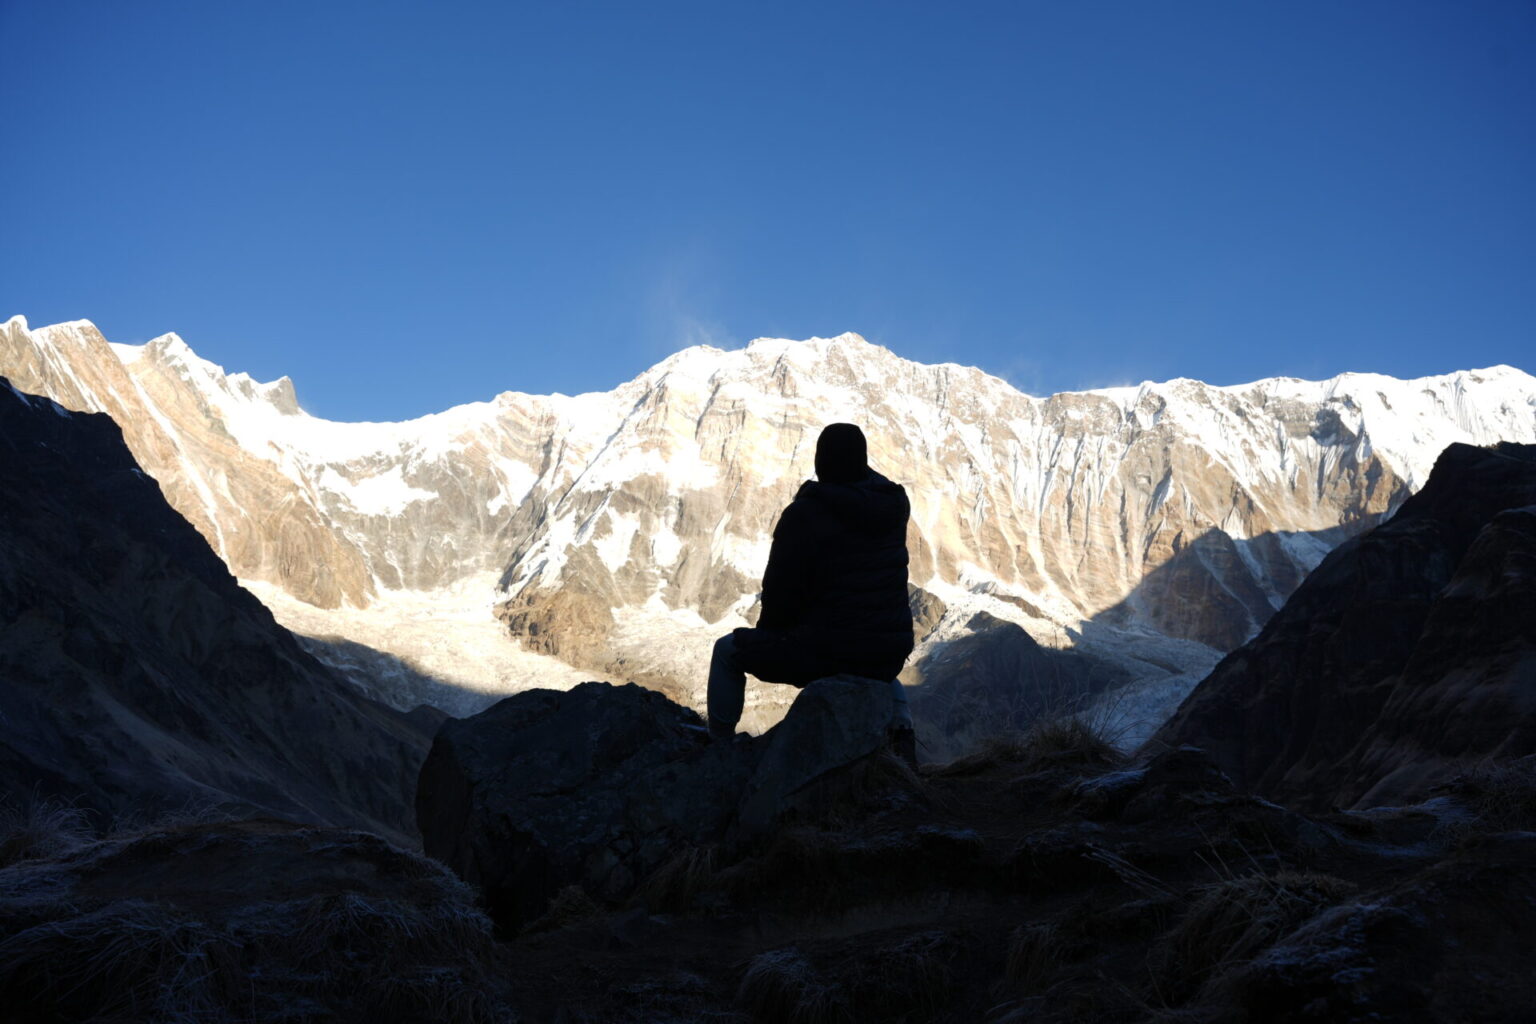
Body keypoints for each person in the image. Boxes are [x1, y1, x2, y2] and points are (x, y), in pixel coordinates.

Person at [707, 422, 917, 764]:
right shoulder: (893, 507)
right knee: (875, 665)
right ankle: (903, 739)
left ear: (821, 462)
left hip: (829, 651)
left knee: (728, 652)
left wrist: (772, 636)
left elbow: (780, 593)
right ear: (863, 461)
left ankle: (717, 751)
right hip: (887, 652)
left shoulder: (806, 513)